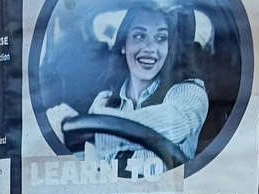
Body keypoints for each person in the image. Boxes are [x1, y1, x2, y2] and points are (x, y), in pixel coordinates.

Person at [51, 5, 208, 169]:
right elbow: (93, 168)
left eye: (161, 38)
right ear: (123, 45)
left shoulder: (190, 93)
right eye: (139, 36)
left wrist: (92, 131)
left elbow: (173, 121)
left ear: (169, 49)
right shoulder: (104, 102)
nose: (149, 48)